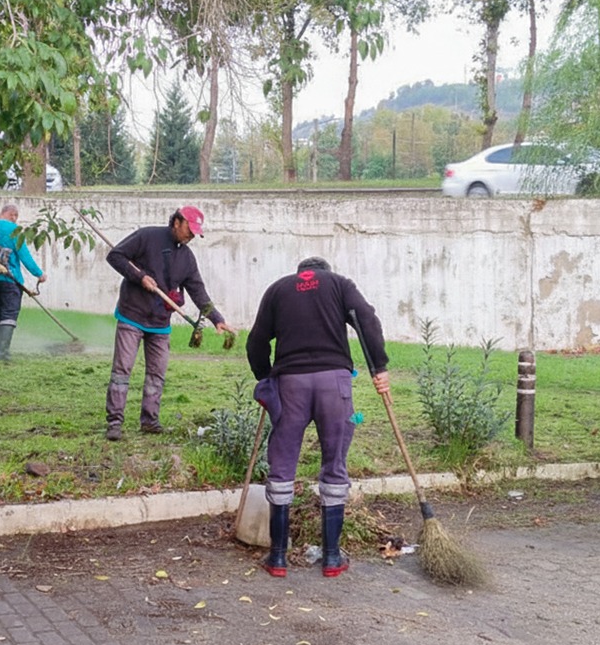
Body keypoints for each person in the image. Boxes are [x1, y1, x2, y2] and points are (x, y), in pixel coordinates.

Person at [245, 257, 390, 578]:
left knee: (282, 465)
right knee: (334, 464)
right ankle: (332, 558)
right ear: (325, 271)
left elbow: (256, 341)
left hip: (290, 385)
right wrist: (379, 367)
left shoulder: (278, 289)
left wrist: (266, 378)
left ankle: (278, 558)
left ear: (301, 273)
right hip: (333, 384)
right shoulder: (339, 284)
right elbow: (367, 319)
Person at [104, 205, 236, 441]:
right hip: (132, 314)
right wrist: (139, 276)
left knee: (157, 373)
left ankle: (150, 421)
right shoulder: (147, 236)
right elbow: (115, 256)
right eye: (189, 229)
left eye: (196, 232)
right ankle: (114, 422)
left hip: (160, 321)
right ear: (177, 221)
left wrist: (217, 318)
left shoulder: (186, 257)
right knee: (122, 370)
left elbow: (198, 290)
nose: (192, 236)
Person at [0, 203, 46, 361]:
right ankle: (3, 353)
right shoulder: (14, 231)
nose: (15, 220)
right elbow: (24, 255)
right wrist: (39, 274)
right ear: (12, 215)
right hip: (10, 279)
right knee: (9, 313)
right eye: (15, 216)